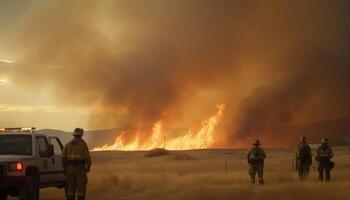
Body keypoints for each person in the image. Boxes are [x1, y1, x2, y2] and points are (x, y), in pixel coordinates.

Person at [62, 128, 91, 200]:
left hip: (69, 169)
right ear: (81, 135)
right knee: (81, 186)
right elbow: (87, 157)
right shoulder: (83, 145)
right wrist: (88, 166)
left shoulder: (68, 145)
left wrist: (65, 168)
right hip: (80, 168)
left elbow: (63, 158)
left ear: (74, 135)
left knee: (70, 187)